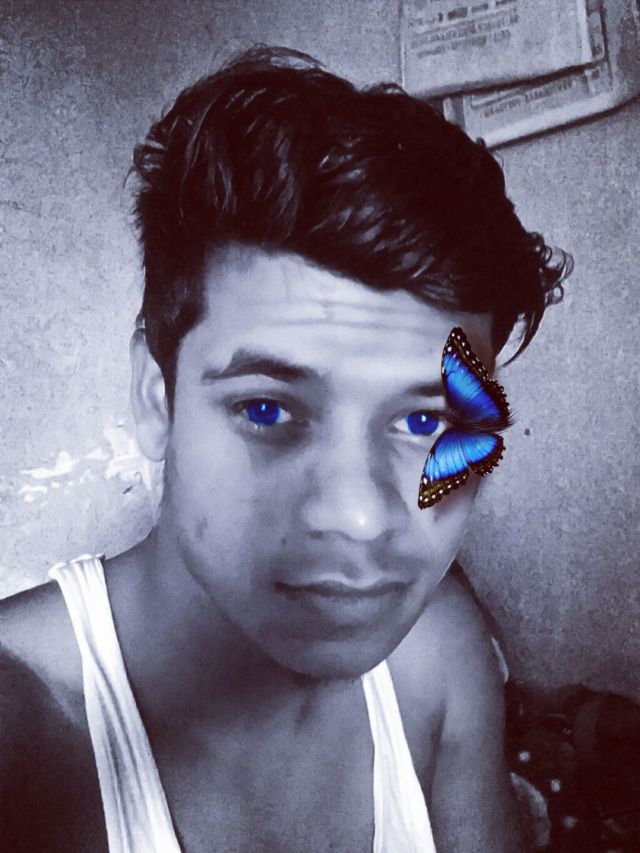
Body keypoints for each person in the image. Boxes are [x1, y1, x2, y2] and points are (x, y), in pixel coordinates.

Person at [0, 46, 568, 852]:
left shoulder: (438, 652)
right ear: (156, 396)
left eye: (424, 423)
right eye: (267, 409)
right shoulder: (22, 733)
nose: (359, 516)